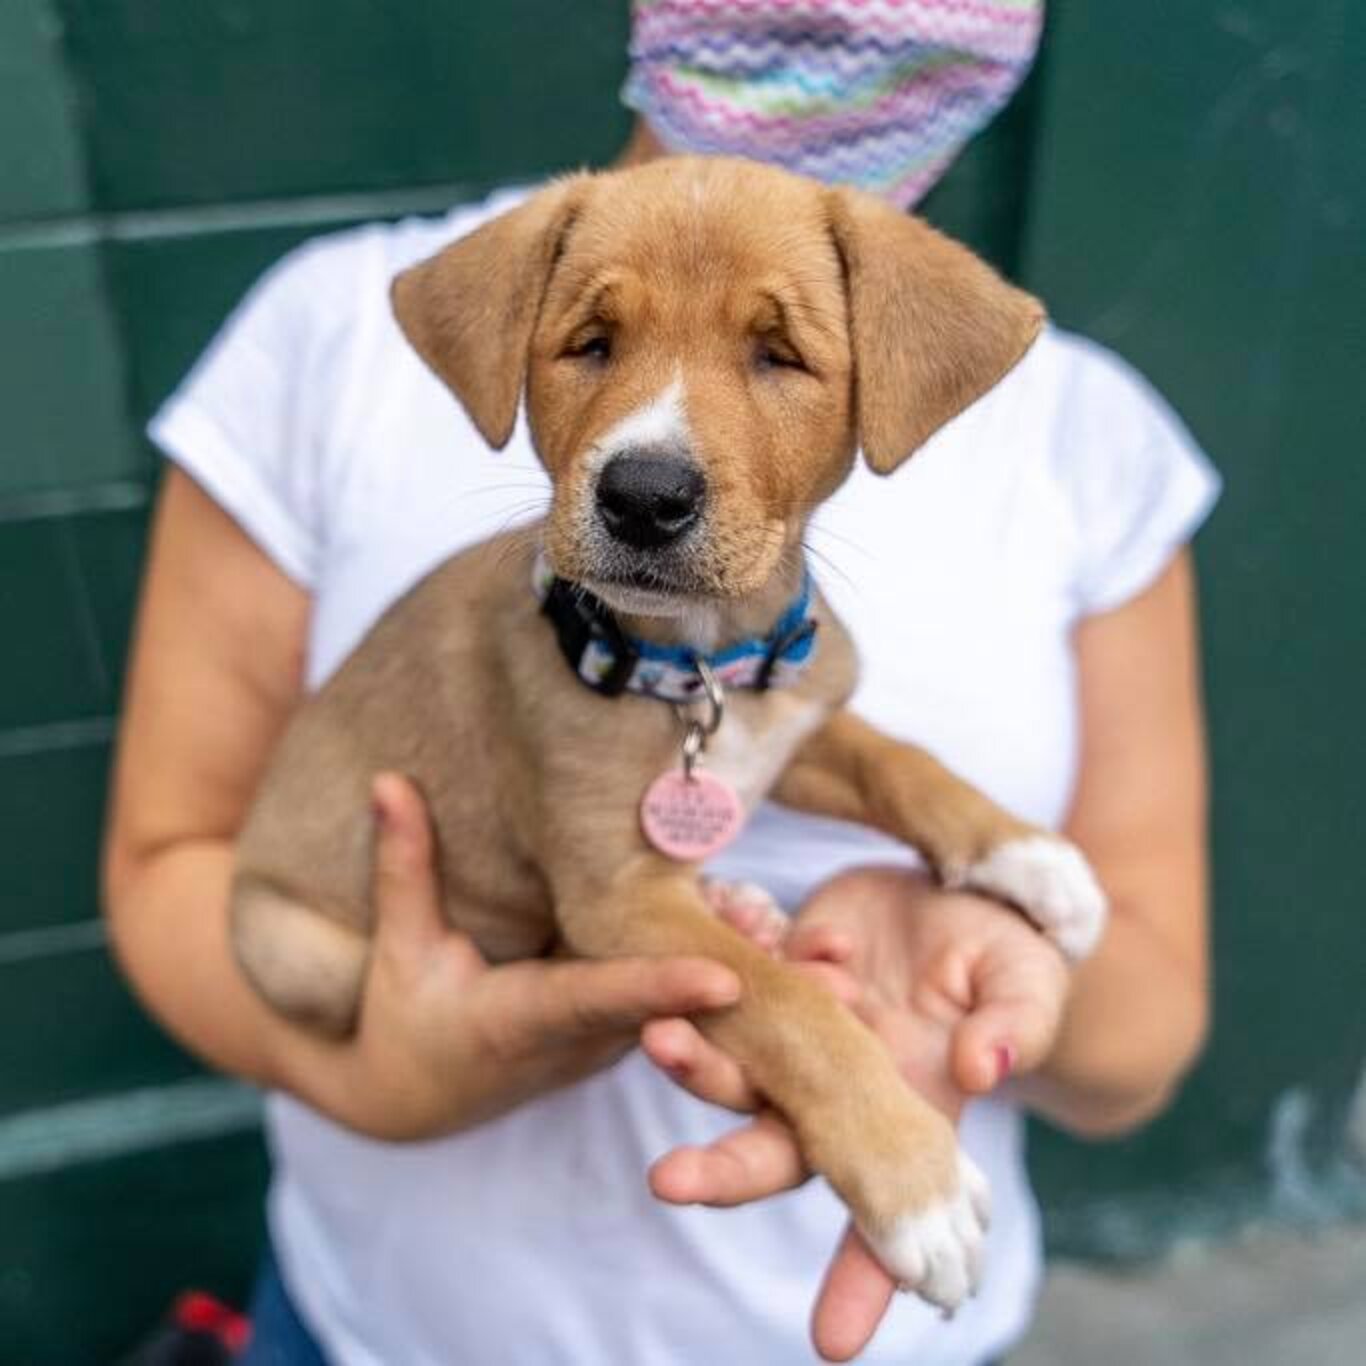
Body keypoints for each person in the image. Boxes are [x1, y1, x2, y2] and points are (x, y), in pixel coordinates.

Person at [102, 3, 1218, 1362]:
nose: (655, 455)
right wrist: (384, 1079)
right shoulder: (330, 333)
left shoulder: (1082, 441)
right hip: (386, 1327)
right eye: (592, 344)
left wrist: (983, 939)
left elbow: (1146, 1031)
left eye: (777, 354)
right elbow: (174, 865)